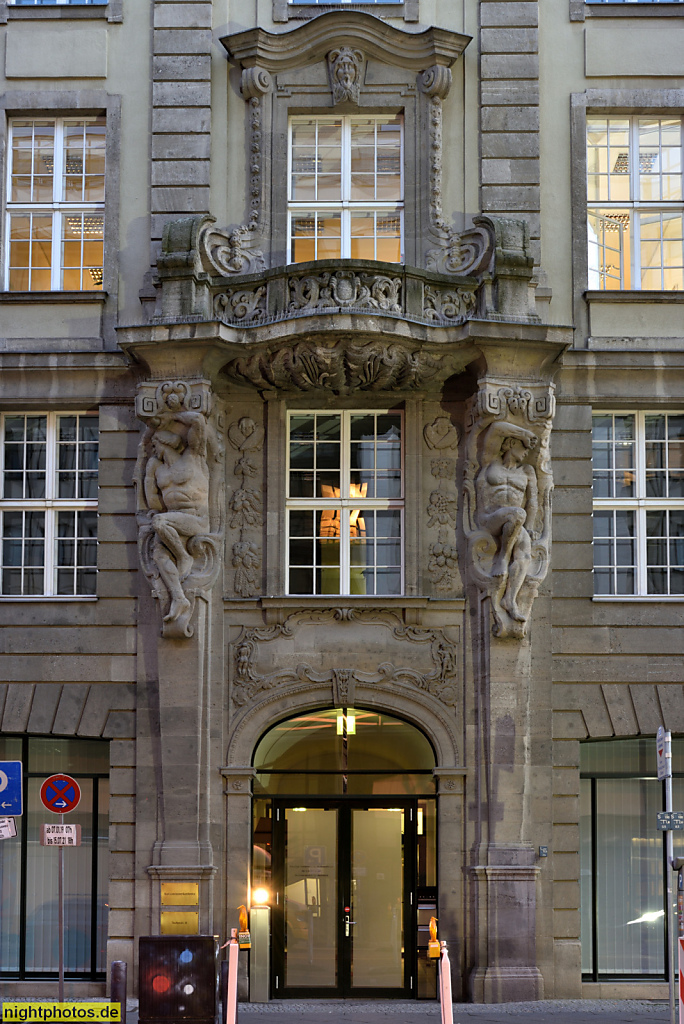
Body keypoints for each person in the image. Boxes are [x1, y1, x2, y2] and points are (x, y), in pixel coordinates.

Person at [143, 406, 210, 623]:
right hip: (172, 520)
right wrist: (146, 473)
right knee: (158, 556)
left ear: (166, 442)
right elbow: (152, 500)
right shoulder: (158, 470)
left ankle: (183, 557)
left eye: (155, 444)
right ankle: (179, 599)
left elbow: (198, 421)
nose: (152, 448)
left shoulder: (193, 456)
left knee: (160, 522)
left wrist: (170, 415)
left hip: (195, 519)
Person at [475, 421, 539, 622]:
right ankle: (502, 559)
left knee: (525, 552)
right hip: (490, 519)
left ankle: (510, 600)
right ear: (511, 443)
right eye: (523, 446)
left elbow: (533, 502)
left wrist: (529, 529)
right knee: (517, 514)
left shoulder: (527, 471)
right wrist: (525, 432)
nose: (526, 452)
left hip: (515, 521)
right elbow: (495, 429)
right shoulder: (490, 462)